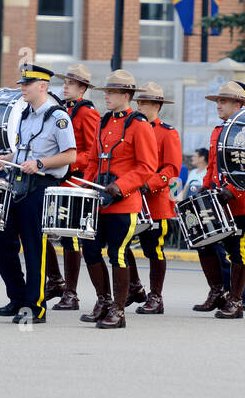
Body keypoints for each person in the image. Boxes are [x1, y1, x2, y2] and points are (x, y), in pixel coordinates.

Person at [0, 65, 77, 324]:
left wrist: (40, 164)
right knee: (0, 239)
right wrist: (7, 158)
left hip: (40, 187)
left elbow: (70, 155)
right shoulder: (25, 115)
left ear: (43, 86)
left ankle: (35, 305)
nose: (22, 88)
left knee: (33, 248)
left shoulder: (58, 117)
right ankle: (17, 297)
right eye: (21, 84)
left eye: (27, 84)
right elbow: (25, 151)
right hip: (18, 183)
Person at [82, 70, 158, 329]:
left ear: (126, 95)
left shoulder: (139, 125)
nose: (106, 96)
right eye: (106, 91)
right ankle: (103, 301)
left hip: (123, 202)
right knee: (90, 249)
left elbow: (147, 167)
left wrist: (119, 186)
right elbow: (93, 160)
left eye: (112, 92)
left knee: (118, 253)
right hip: (98, 200)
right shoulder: (103, 123)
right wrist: (87, 187)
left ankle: (118, 309)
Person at [197, 80, 245, 317]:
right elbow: (212, 166)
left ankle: (236, 300)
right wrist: (204, 188)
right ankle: (218, 292)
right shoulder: (218, 130)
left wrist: (233, 192)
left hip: (239, 203)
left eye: (223, 101)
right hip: (216, 200)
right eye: (218, 101)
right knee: (203, 243)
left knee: (238, 251)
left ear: (237, 104)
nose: (218, 105)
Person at [48, 64, 101, 310]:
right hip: (58, 175)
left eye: (70, 83)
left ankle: (71, 292)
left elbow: (92, 152)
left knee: (70, 238)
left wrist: (68, 165)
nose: (64, 87)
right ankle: (55, 281)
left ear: (82, 88)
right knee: (43, 230)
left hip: (75, 177)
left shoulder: (87, 112)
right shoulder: (63, 109)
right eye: (64, 82)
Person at [131, 82, 182, 314]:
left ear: (157, 105)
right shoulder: (131, 127)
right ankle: (134, 287)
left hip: (155, 200)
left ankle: (156, 297)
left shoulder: (167, 133)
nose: (140, 106)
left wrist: (146, 185)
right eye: (139, 102)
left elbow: (171, 169)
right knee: (119, 244)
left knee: (154, 250)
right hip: (130, 196)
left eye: (146, 103)